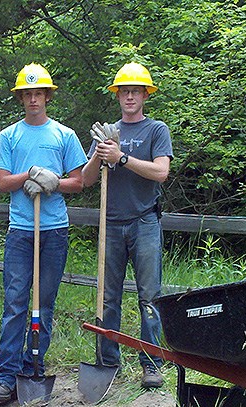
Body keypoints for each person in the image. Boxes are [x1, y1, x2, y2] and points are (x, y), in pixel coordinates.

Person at [0, 64, 87, 405]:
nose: (33, 99)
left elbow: (80, 180)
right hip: (21, 232)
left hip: (54, 230)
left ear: (47, 97)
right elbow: (2, 182)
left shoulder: (64, 135)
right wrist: (28, 174)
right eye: (27, 94)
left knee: (44, 303)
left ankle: (34, 366)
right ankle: (7, 375)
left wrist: (54, 181)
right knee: (15, 302)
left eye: (38, 93)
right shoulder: (9, 136)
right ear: (21, 98)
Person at [81, 62, 173, 388]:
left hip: (144, 221)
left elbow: (161, 172)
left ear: (145, 94)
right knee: (107, 297)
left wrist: (121, 157)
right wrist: (100, 152)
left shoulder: (156, 130)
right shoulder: (106, 132)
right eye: (124, 91)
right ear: (117, 95)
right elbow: (86, 179)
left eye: (135, 91)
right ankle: (108, 363)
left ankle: (151, 363)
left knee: (149, 295)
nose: (130, 96)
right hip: (111, 224)